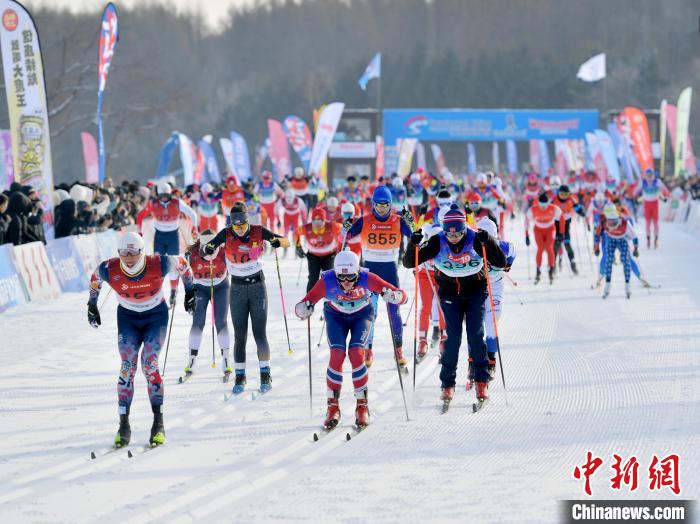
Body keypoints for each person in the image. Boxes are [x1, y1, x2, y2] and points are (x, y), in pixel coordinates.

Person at [87, 232, 195, 447]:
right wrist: (91, 304)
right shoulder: (109, 268)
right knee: (127, 367)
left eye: (133, 252)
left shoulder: (159, 263)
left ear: (142, 251)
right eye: (124, 253)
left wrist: (190, 292)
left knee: (149, 365)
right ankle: (123, 424)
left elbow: (183, 264)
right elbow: (95, 279)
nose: (128, 257)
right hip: (128, 318)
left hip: (155, 316)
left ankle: (158, 423)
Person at [403, 205, 506, 405]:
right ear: (443, 230)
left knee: (475, 337)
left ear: (464, 229)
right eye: (450, 234)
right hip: (450, 294)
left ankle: (481, 381)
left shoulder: (475, 238)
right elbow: (409, 263)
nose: (454, 238)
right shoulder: (436, 241)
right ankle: (447, 384)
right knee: (452, 339)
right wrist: (413, 245)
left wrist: (489, 243)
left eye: (458, 233)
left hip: (476, 292)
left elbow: (500, 262)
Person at [294, 250, 406, 429]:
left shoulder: (367, 277)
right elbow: (303, 304)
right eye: (342, 278)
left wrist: (392, 296)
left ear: (358, 272)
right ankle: (333, 406)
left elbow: (401, 296)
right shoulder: (327, 280)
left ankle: (362, 405)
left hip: (362, 315)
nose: (346, 283)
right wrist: (304, 309)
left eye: (351, 278)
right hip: (335, 316)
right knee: (337, 354)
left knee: (356, 353)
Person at [202, 202, 290, 394]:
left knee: (260, 333)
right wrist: (207, 249)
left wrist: (278, 242)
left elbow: (286, 241)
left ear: (248, 222)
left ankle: (265, 374)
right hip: (237, 289)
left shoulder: (258, 231)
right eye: (236, 226)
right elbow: (206, 248)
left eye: (242, 225)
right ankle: (240, 376)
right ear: (231, 224)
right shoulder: (225, 234)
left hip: (258, 286)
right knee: (240, 335)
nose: (240, 230)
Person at [344, 186, 414, 370]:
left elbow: (416, 236)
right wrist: (345, 226)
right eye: (378, 205)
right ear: (373, 205)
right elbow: (348, 234)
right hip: (369, 273)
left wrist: (411, 222)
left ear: (391, 205)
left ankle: (398, 350)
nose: (382, 209)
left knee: (394, 312)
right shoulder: (365, 220)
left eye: (385, 205)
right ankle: (368, 349)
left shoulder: (398, 220)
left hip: (390, 271)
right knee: (370, 313)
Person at [136, 182, 198, 306]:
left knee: (172, 265)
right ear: (158, 195)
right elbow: (140, 216)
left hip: (172, 237)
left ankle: (173, 292)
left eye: (166, 195)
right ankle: (156, 293)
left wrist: (194, 228)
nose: (164, 198)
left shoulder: (176, 203)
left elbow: (192, 213)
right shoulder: (154, 203)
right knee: (156, 265)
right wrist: (139, 232)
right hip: (159, 237)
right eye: (162, 195)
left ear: (170, 194)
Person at [183, 229, 231, 381]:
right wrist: (188, 294)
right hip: (200, 288)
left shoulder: (224, 252)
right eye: (206, 247)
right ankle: (191, 359)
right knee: (198, 322)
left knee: (221, 322)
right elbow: (182, 274)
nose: (210, 251)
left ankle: (226, 359)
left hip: (221, 287)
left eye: (214, 246)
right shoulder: (193, 255)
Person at [474, 218, 515, 385]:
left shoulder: (506, 247)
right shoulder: (471, 246)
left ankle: (491, 360)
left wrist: (506, 266)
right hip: (477, 287)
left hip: (496, 287)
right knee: (475, 325)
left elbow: (511, 257)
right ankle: (473, 361)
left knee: (492, 322)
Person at [594, 204, 639, 299]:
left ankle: (627, 285)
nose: (611, 225)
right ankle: (607, 285)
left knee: (625, 260)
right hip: (610, 239)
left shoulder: (624, 223)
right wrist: (596, 247)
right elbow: (597, 235)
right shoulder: (603, 222)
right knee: (608, 259)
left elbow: (634, 236)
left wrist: (636, 249)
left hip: (622, 239)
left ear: (618, 219)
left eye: (614, 223)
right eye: (609, 223)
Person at [295, 207, 342, 292]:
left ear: (324, 220)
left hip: (329, 255)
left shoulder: (332, 226)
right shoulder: (306, 228)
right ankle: (309, 302)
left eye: (320, 221)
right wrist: (298, 247)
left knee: (329, 278)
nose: (317, 224)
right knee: (313, 278)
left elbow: (344, 230)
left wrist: (342, 245)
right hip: (313, 256)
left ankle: (330, 301)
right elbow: (296, 233)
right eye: (314, 221)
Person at [525, 193, 565, 284]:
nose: (543, 207)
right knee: (540, 248)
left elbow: (562, 218)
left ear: (548, 203)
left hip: (550, 229)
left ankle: (551, 269)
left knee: (549, 247)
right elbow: (526, 220)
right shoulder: (533, 209)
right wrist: (526, 235)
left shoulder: (553, 208)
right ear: (538, 203)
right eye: (541, 205)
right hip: (538, 230)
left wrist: (561, 232)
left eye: (545, 204)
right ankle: (538, 270)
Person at [552, 184, 584, 275]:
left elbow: (577, 207)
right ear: (558, 193)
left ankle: (573, 263)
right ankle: (553, 265)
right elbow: (547, 207)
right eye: (561, 194)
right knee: (556, 244)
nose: (563, 196)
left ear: (568, 194)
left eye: (566, 194)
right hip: (556, 224)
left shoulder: (571, 200)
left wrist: (582, 212)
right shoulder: (554, 200)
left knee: (567, 243)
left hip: (566, 224)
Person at [636, 169, 668, 249]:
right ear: (645, 175)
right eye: (648, 175)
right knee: (647, 223)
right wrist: (636, 199)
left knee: (655, 223)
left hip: (655, 204)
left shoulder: (657, 181)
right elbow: (637, 192)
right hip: (647, 204)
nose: (649, 177)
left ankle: (656, 240)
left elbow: (663, 190)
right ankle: (648, 240)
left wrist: (664, 197)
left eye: (650, 175)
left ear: (653, 175)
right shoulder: (643, 182)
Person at [275, 189, 308, 256]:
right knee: (285, 232)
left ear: (294, 197)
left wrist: (304, 221)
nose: (289, 200)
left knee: (296, 232)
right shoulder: (282, 200)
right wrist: (278, 220)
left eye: (291, 198)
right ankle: (285, 248)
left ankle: (298, 248)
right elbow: (275, 209)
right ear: (285, 197)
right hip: (287, 216)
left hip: (296, 215)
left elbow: (304, 210)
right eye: (288, 198)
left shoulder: (298, 200)